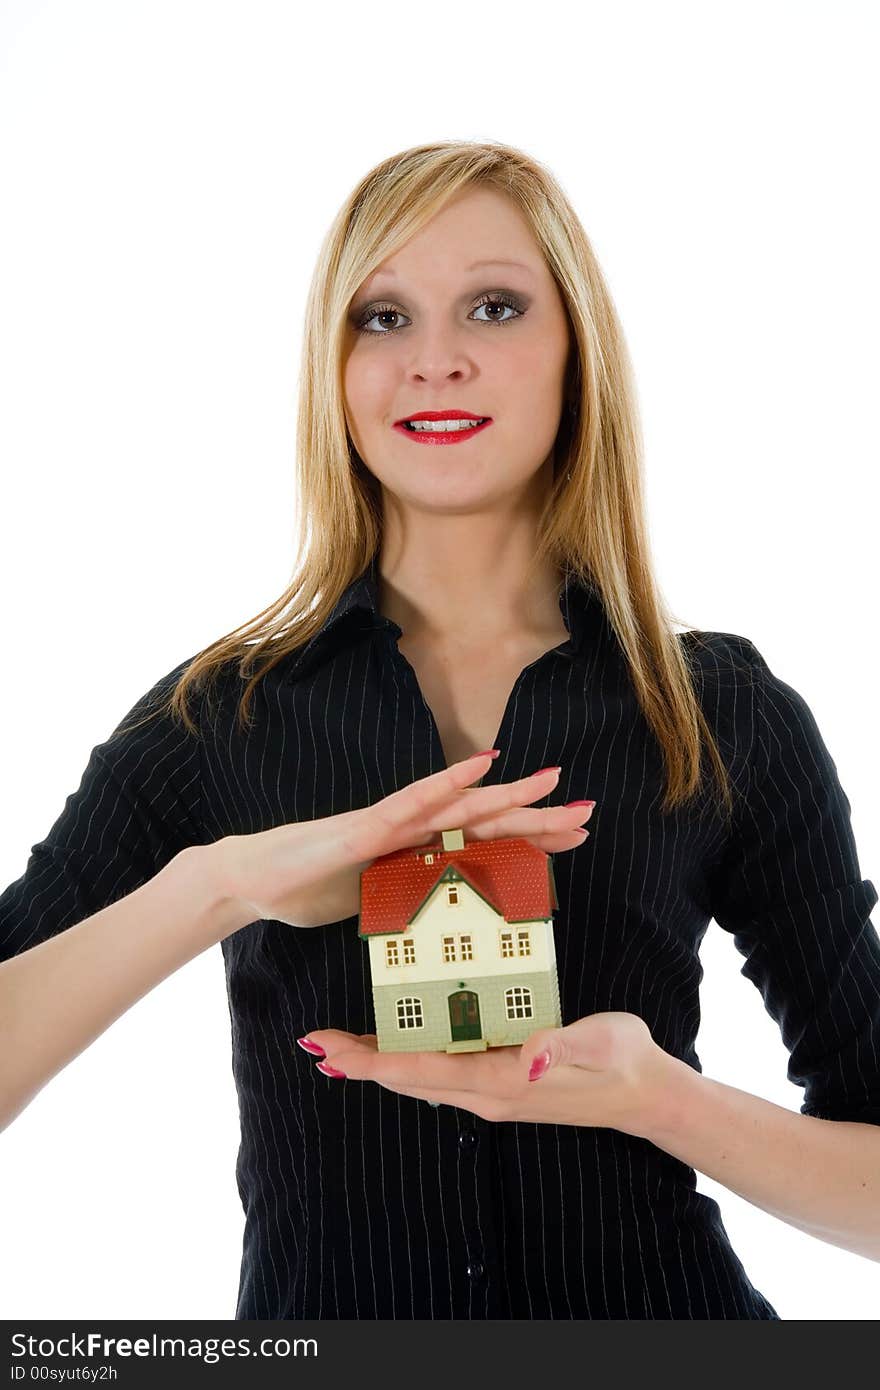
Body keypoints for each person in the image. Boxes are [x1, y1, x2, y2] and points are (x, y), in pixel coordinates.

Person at [2, 139, 878, 1321]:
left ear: (576, 348)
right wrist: (223, 884)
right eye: (382, 318)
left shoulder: (720, 714)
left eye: (494, 306)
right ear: (334, 366)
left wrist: (652, 1096)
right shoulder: (220, 717)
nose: (436, 361)